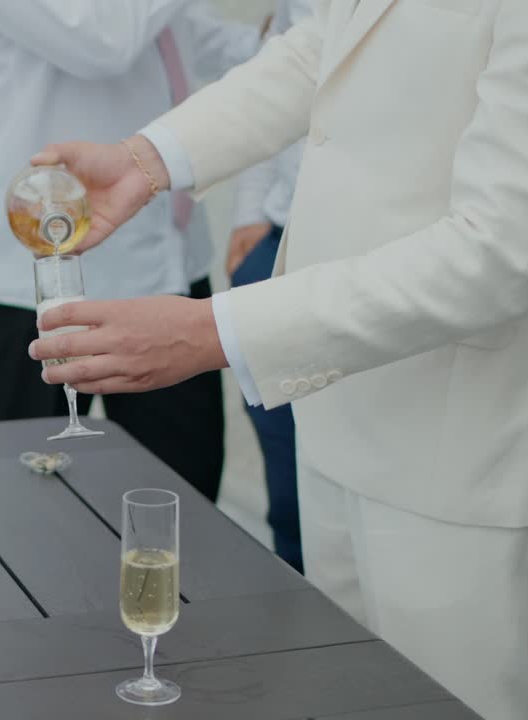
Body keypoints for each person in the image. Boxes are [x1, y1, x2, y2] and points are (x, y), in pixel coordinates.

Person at [29, 2, 528, 717]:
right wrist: (148, 158)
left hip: (461, 433)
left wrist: (211, 332)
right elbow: (323, 45)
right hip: (337, 395)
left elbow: (502, 253)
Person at [0, 0, 261, 501]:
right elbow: (104, 40)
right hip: (28, 282)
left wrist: (288, 31)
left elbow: (186, 39)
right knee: (31, 517)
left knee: (183, 509)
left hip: (167, 270)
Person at [226, 0, 315, 574]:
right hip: (277, 246)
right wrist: (249, 213)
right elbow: (278, 68)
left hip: (370, 262)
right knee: (289, 498)